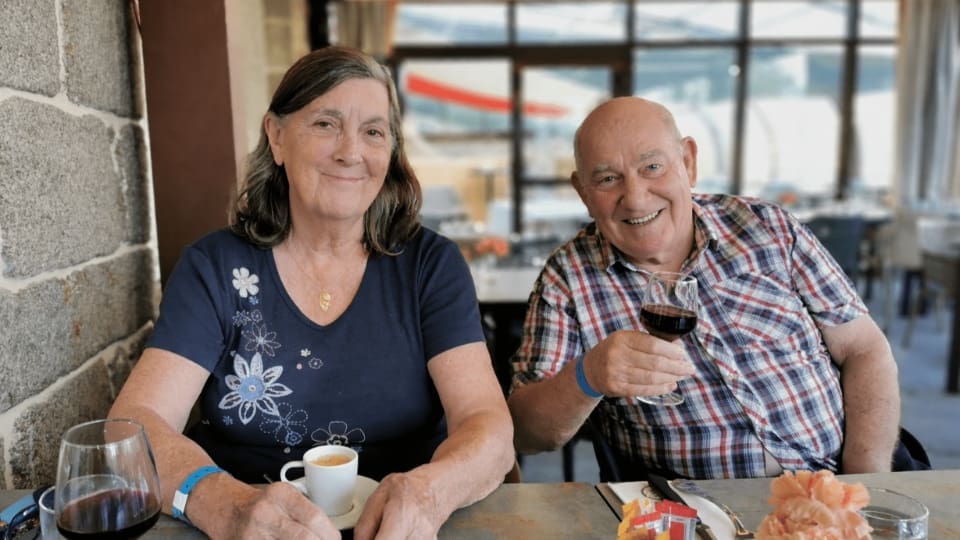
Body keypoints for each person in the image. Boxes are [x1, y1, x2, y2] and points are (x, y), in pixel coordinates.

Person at [109, 46, 514, 540]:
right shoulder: (214, 267)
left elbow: (488, 427)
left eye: (373, 131)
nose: (351, 151)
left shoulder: (430, 266)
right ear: (276, 137)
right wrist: (225, 505)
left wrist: (429, 494)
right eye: (325, 123)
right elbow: (133, 424)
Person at [507, 96, 905, 481]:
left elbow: (864, 348)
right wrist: (587, 376)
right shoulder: (568, 278)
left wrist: (864, 486)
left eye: (652, 167)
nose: (635, 197)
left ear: (688, 162)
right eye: (608, 178)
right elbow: (527, 433)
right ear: (584, 193)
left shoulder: (768, 227)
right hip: (698, 513)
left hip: (837, 482)